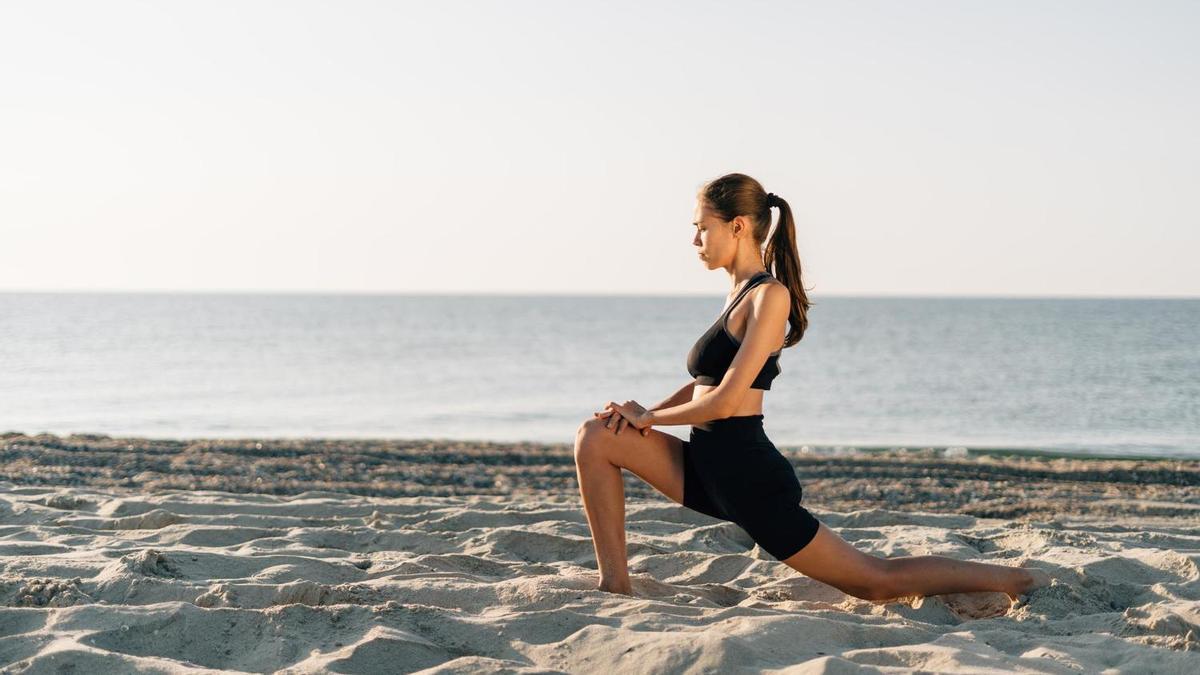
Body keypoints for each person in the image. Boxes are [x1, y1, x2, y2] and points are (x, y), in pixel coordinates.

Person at [573, 172, 1050, 602]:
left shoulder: (769, 296)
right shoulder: (737, 293)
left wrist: (650, 419)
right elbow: (706, 383)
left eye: (702, 227)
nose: (695, 239)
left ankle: (1015, 580)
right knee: (595, 437)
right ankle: (615, 582)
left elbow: (723, 403)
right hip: (704, 467)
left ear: (738, 226)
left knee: (873, 581)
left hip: (746, 477)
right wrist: (644, 412)